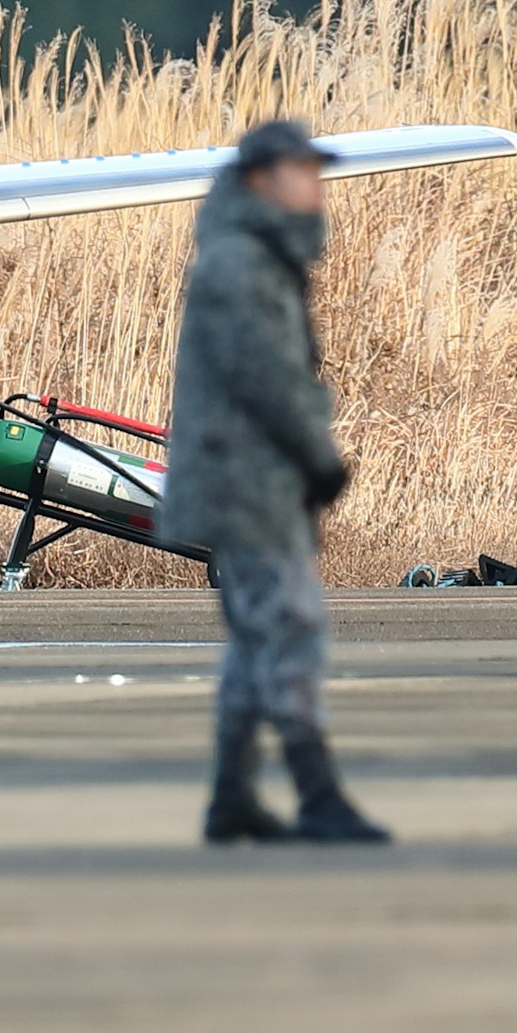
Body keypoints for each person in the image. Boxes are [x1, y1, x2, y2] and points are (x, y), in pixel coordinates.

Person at [158, 117, 385, 847]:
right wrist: (316, 455)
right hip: (244, 480)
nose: (317, 186)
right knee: (289, 630)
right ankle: (316, 794)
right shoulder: (240, 265)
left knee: (259, 640)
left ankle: (232, 800)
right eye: (303, 171)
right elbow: (268, 377)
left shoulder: (255, 258)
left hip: (256, 477)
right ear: (261, 179)